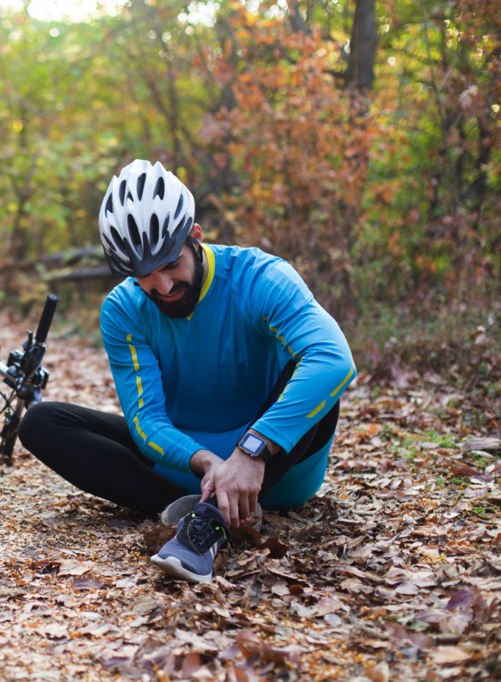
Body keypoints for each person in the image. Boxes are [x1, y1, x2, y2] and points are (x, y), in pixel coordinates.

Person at [19, 159, 356, 583]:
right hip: (189, 467)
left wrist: (250, 453)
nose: (161, 286)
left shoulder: (261, 277)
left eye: (169, 264)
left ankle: (209, 522)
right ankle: (191, 508)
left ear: (195, 236)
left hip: (273, 465)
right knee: (42, 422)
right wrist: (205, 462)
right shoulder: (124, 309)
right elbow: (146, 421)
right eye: (143, 275)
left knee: (316, 382)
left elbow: (334, 358)